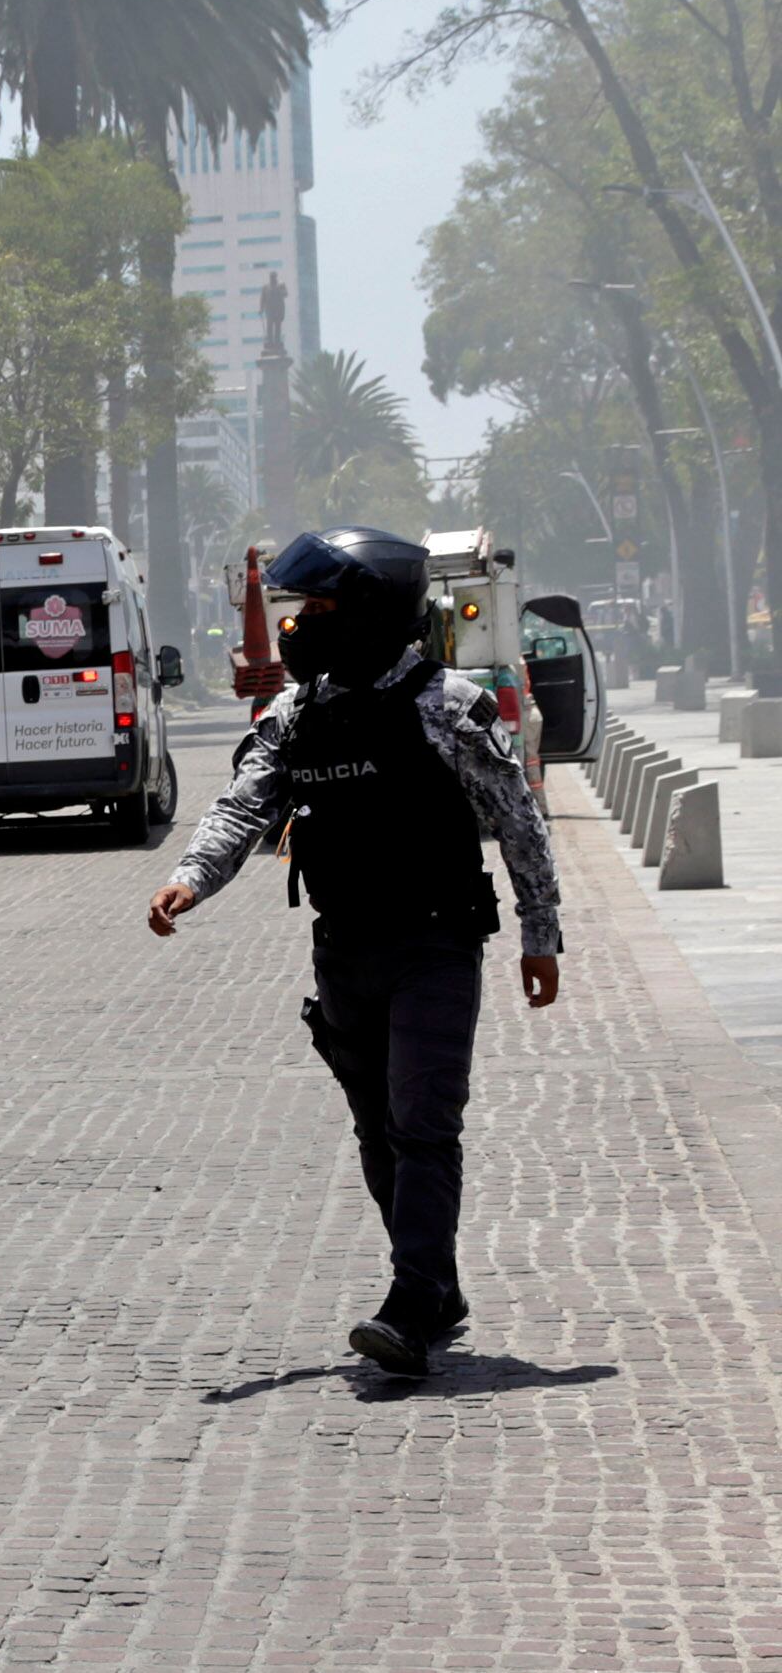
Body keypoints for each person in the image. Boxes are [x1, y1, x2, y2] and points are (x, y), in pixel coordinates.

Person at [146, 526, 564, 1379]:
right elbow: (242, 807)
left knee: (422, 1122)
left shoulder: (445, 705)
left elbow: (518, 819)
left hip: (435, 944)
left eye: (318, 609)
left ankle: (409, 1303)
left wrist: (539, 933)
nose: (298, 626)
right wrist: (190, 878)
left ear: (371, 612)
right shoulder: (296, 714)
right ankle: (436, 1284)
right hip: (343, 951)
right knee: (377, 1130)